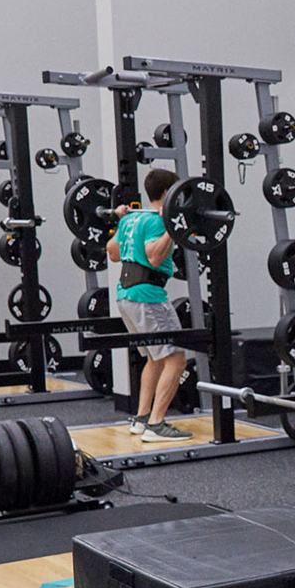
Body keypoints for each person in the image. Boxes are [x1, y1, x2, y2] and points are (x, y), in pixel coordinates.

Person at [106, 167, 191, 442]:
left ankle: (141, 419)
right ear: (167, 193)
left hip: (125, 296)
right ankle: (156, 424)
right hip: (148, 296)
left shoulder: (132, 218)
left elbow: (112, 252)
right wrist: (172, 227)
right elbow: (154, 257)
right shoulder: (157, 221)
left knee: (155, 358)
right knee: (176, 359)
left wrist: (121, 221)